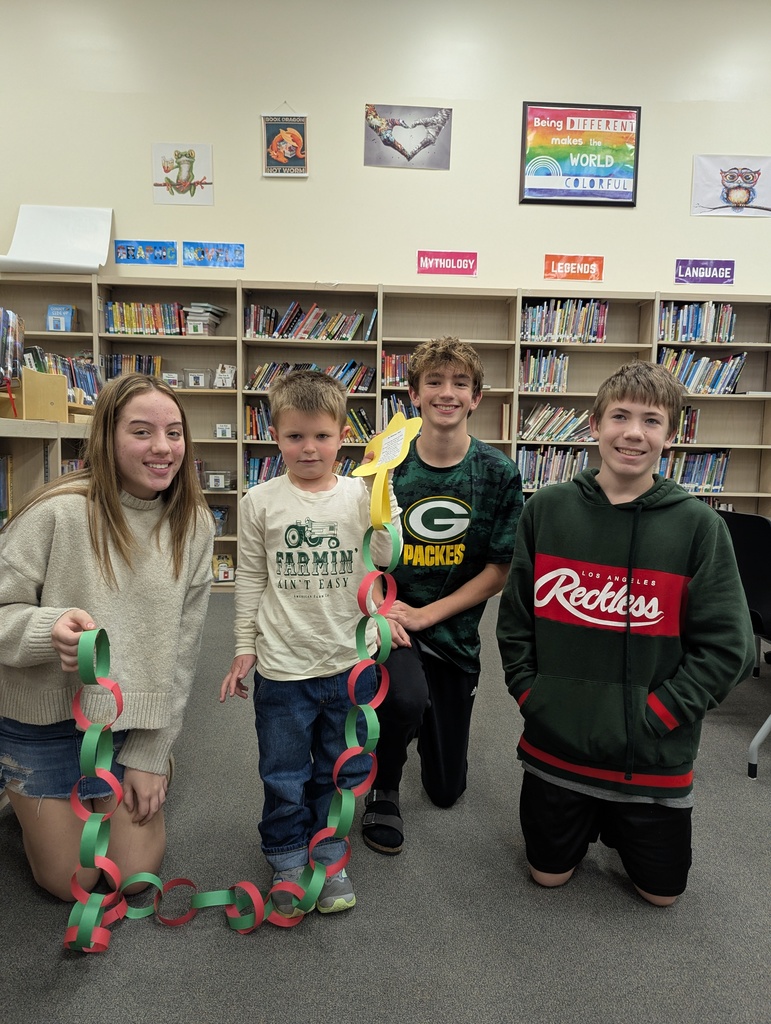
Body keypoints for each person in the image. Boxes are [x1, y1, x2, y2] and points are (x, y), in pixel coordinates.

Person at [496, 361, 755, 906]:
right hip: (556, 743)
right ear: (594, 424)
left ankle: (620, 826)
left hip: (652, 753)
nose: (633, 432)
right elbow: (516, 619)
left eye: (651, 420)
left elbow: (729, 645)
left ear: (671, 434)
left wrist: (660, 714)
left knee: (662, 896)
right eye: (620, 416)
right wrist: (531, 695)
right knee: (547, 877)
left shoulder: (700, 527)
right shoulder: (546, 510)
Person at [0, 373, 215, 901]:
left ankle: (110, 786)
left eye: (174, 432)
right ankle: (24, 796)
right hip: (42, 721)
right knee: (73, 883)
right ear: (106, 437)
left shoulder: (195, 525)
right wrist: (43, 630)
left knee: (135, 874)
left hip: (128, 721)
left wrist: (151, 751)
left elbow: (183, 655)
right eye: (141, 432)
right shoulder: (58, 512)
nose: (162, 448)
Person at [220, 369, 401, 918]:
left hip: (350, 663)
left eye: (321, 435)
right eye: (295, 436)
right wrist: (243, 646)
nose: (309, 447)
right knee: (283, 769)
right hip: (284, 666)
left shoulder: (360, 495)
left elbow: (387, 561)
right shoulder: (260, 501)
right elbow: (250, 576)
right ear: (274, 435)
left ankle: (328, 854)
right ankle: (285, 855)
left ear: (343, 435)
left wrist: (383, 505)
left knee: (339, 767)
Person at [361, 337, 523, 856]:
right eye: (433, 381)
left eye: (459, 384)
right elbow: (363, 548)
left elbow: (499, 569)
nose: (446, 393)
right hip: (395, 623)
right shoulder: (387, 464)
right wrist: (384, 614)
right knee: (403, 698)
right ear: (413, 393)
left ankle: (416, 719)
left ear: (477, 397)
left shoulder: (498, 473)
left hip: (452, 631)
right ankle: (384, 783)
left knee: (446, 790)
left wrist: (431, 613)